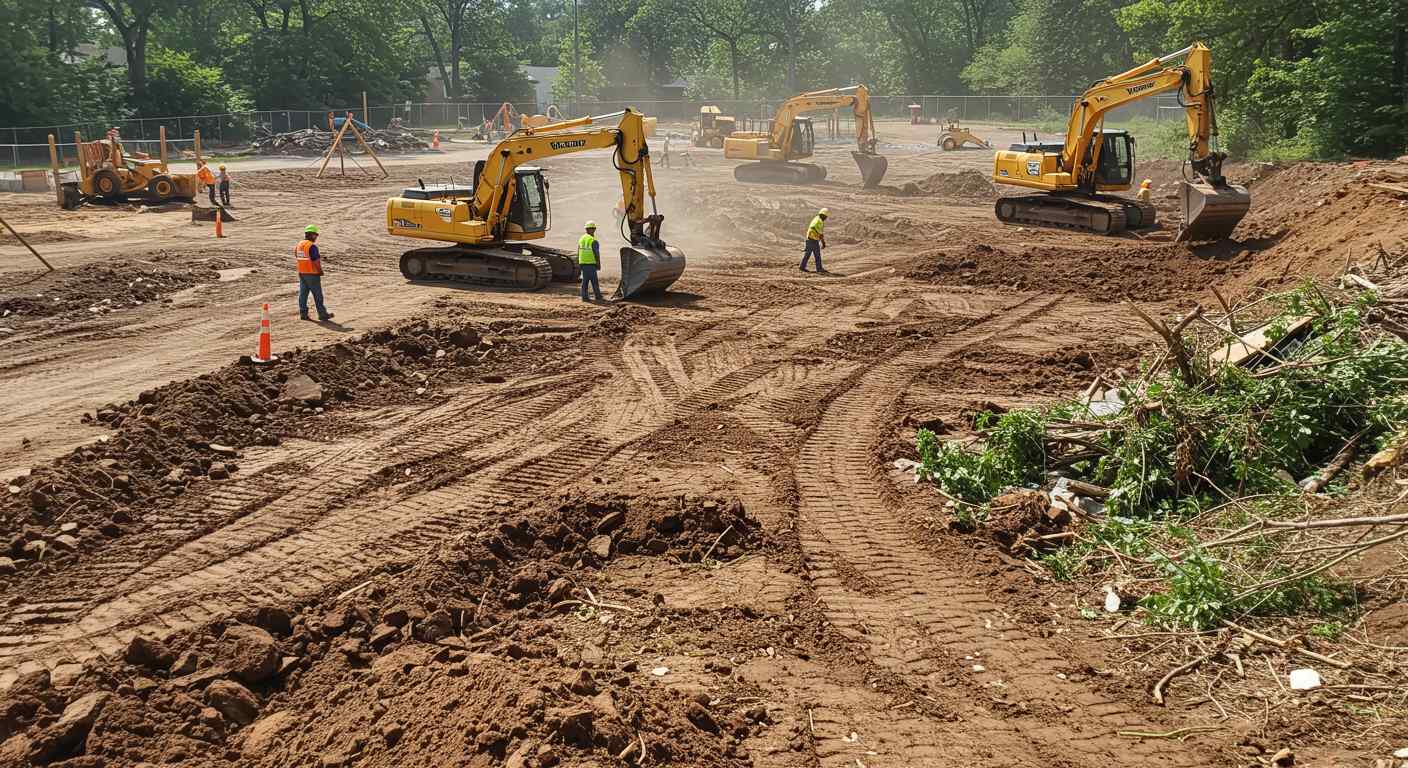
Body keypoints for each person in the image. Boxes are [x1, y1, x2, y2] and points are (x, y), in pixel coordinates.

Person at [295, 225, 334, 321]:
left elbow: (296, 255)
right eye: (316, 235)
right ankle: (322, 314)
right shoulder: (312, 246)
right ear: (312, 235)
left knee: (303, 294)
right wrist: (320, 271)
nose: (316, 237)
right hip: (312, 273)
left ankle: (303, 314)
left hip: (302, 273)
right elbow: (316, 261)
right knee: (318, 295)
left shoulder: (299, 244)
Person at [578, 220, 604, 303]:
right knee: (594, 281)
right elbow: (596, 254)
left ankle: (584, 297)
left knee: (585, 281)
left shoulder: (581, 239)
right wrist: (598, 264)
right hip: (591, 263)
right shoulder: (593, 240)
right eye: (592, 229)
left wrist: (579, 262)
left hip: (583, 263)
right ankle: (598, 296)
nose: (592, 230)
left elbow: (578, 251)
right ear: (593, 229)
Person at [801, 207, 829, 273]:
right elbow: (819, 232)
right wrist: (823, 242)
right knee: (817, 255)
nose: (825, 218)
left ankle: (802, 267)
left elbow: (814, 229)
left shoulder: (816, 218)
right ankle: (819, 269)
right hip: (813, 240)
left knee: (807, 254)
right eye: (825, 217)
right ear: (823, 215)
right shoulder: (819, 221)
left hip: (809, 239)